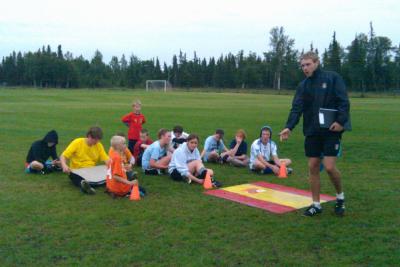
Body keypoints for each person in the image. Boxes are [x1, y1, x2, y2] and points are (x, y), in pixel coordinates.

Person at [279, 51, 350, 217]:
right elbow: (296, 108)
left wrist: (340, 122)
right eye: (302, 65)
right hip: (312, 131)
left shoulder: (332, 78)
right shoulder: (303, 86)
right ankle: (316, 204)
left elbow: (344, 102)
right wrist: (289, 127)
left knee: (330, 167)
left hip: (331, 130)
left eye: (308, 64)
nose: (305, 68)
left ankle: (340, 198)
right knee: (312, 166)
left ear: (317, 63)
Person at [60, 126, 109, 194]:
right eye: (94, 139)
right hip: (77, 170)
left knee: (106, 169)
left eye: (98, 140)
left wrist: (113, 167)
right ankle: (84, 185)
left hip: (91, 170)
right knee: (73, 175)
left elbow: (106, 159)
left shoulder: (99, 145)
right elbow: (63, 156)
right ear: (89, 136)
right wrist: (64, 165)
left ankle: (89, 184)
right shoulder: (77, 142)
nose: (96, 142)